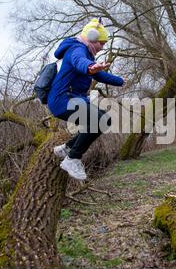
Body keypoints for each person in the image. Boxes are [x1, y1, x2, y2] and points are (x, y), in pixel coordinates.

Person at [47, 18, 124, 180]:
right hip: (63, 99)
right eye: (101, 44)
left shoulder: (84, 51)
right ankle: (72, 158)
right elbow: (78, 61)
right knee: (99, 120)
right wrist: (89, 67)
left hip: (71, 98)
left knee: (105, 120)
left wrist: (120, 81)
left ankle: (67, 148)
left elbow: (98, 74)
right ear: (91, 37)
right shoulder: (77, 49)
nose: (102, 47)